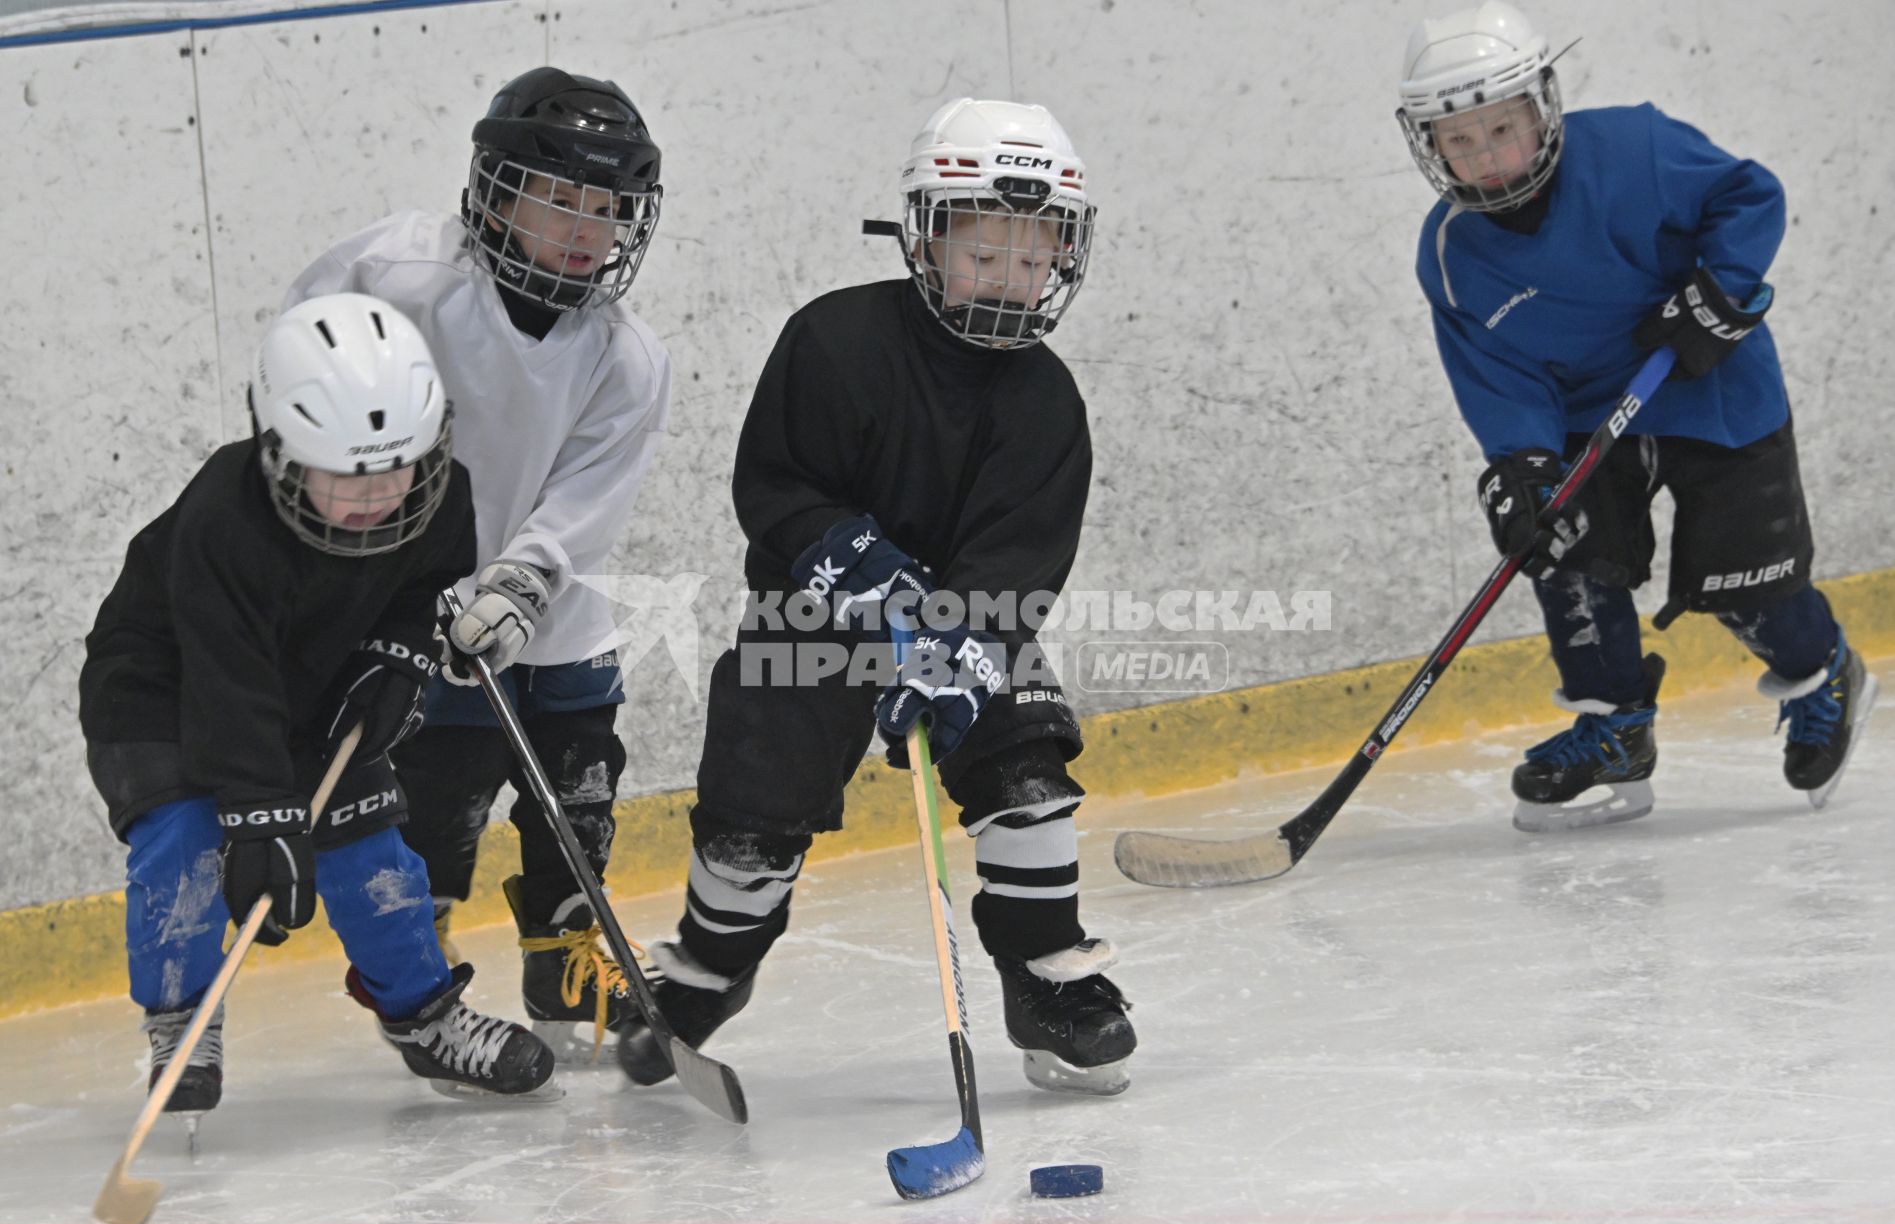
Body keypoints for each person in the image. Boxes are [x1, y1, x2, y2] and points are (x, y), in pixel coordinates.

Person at [616, 98, 1137, 1097]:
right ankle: (707, 968)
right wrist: (859, 568)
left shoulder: (1046, 403)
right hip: (807, 622)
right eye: (985, 254)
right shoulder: (833, 342)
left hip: (959, 632)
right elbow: (773, 489)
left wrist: (953, 654)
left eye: (1032, 260)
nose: (1010, 281)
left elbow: (1013, 573)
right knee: (747, 826)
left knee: (1026, 770)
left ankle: (1043, 976)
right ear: (925, 236)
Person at [1398, 1, 1877, 831]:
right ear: (1428, 145)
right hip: (1586, 419)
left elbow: (1748, 194)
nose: (1486, 157)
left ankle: (1823, 670)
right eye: (1460, 140)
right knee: (1567, 550)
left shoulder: (1636, 148)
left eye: (1501, 128)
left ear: (1541, 106)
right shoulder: (1450, 254)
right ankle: (1614, 727)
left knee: (1746, 587)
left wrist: (1720, 288)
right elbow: (1499, 376)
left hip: (1710, 383)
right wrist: (1522, 466)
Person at [79, 293, 557, 1120]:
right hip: (162, 689)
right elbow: (228, 682)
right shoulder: (224, 521)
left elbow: (417, 592)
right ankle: (181, 1022)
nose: (374, 495)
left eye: (394, 469)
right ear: (279, 453)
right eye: (343, 474)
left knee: (370, 851)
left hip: (311, 680)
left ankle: (424, 1018)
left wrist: (396, 659)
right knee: (186, 841)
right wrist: (263, 816)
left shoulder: (442, 497)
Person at [281, 67, 672, 1067]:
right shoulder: (395, 279)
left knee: (578, 791)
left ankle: (567, 951)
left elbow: (587, 492)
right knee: (435, 808)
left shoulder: (625, 355)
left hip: (557, 617)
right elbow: (308, 387)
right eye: (561, 203)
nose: (588, 231)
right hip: (409, 611)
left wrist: (518, 582)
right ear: (495, 195)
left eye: (607, 210)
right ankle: (422, 974)